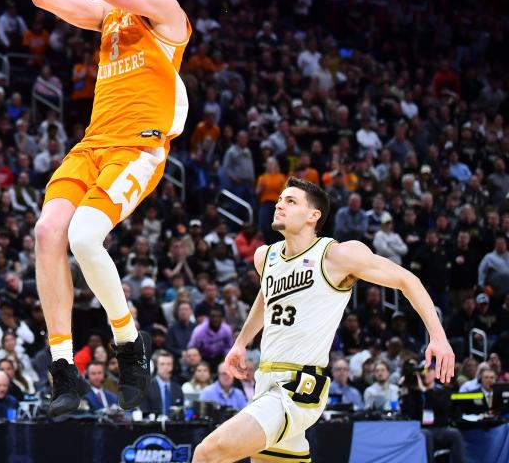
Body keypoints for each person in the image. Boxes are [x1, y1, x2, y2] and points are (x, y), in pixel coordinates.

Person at [0, 0, 197, 416]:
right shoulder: (112, 16)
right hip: (93, 145)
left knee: (85, 237)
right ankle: (63, 369)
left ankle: (130, 342)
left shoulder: (166, 13)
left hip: (139, 146)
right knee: (46, 232)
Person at [191, 178, 455, 463]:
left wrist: (438, 337)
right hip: (265, 383)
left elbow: (407, 279)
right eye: (280, 199)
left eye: (291, 201)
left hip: (297, 387)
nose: (280, 204)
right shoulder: (265, 257)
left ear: (313, 216)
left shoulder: (336, 255)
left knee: (207, 453)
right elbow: (266, 296)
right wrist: (241, 343)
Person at [400, 360, 466, 463]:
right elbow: (408, 414)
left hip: (437, 428)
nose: (425, 374)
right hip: (419, 429)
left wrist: (426, 392)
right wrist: (406, 393)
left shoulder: (442, 391)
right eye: (423, 371)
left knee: (455, 434)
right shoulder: (413, 393)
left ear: (435, 373)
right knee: (426, 434)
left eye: (429, 370)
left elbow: (444, 409)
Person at [141, 350, 184, 415]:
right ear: (156, 366)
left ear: (172, 366)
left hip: (173, 424)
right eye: (162, 364)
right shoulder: (146, 388)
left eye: (169, 364)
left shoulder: (177, 388)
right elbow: (144, 413)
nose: (166, 368)